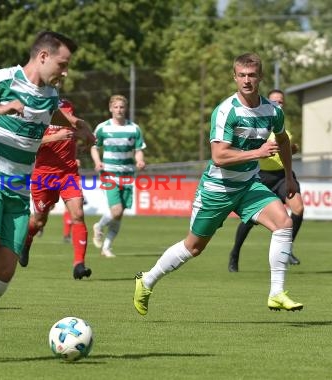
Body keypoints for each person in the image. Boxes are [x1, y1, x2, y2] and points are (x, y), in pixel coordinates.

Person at [133, 53, 303, 317]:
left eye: (252, 75)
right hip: (218, 189)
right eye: (242, 75)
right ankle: (146, 281)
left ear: (261, 77)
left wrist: (289, 176)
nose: (247, 80)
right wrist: (256, 153)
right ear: (234, 77)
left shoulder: (273, 110)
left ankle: (277, 293)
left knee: (284, 223)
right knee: (194, 247)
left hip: (248, 186)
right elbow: (219, 156)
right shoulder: (226, 111)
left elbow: (282, 142)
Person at [0, 31, 84, 363]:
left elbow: (44, 122)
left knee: (6, 267)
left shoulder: (50, 96)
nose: (65, 72)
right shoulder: (5, 79)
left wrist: (82, 128)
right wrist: (0, 106)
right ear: (42, 56)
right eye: (62, 64)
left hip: (19, 184)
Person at [228, 89, 304, 271]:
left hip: (283, 175)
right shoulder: (261, 127)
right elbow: (253, 151)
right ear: (267, 103)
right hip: (261, 176)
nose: (278, 104)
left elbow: (287, 148)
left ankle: (287, 249)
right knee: (250, 220)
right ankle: (235, 254)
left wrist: (291, 149)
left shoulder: (282, 125)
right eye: (275, 101)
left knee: (298, 208)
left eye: (281, 102)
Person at [19, 99, 94, 280]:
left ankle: (79, 264)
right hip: (43, 176)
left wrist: (87, 138)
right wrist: (54, 137)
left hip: (68, 174)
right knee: (38, 221)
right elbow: (27, 142)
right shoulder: (37, 106)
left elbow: (80, 126)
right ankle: (26, 241)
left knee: (78, 214)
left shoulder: (67, 105)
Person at [91, 95, 146, 257]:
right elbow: (94, 147)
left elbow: (138, 150)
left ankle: (106, 247)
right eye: (116, 107)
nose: (119, 110)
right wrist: (97, 162)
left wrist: (140, 161)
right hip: (109, 174)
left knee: (119, 214)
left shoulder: (134, 128)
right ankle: (99, 226)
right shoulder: (103, 128)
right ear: (110, 109)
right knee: (116, 211)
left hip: (128, 175)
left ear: (125, 108)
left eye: (121, 107)